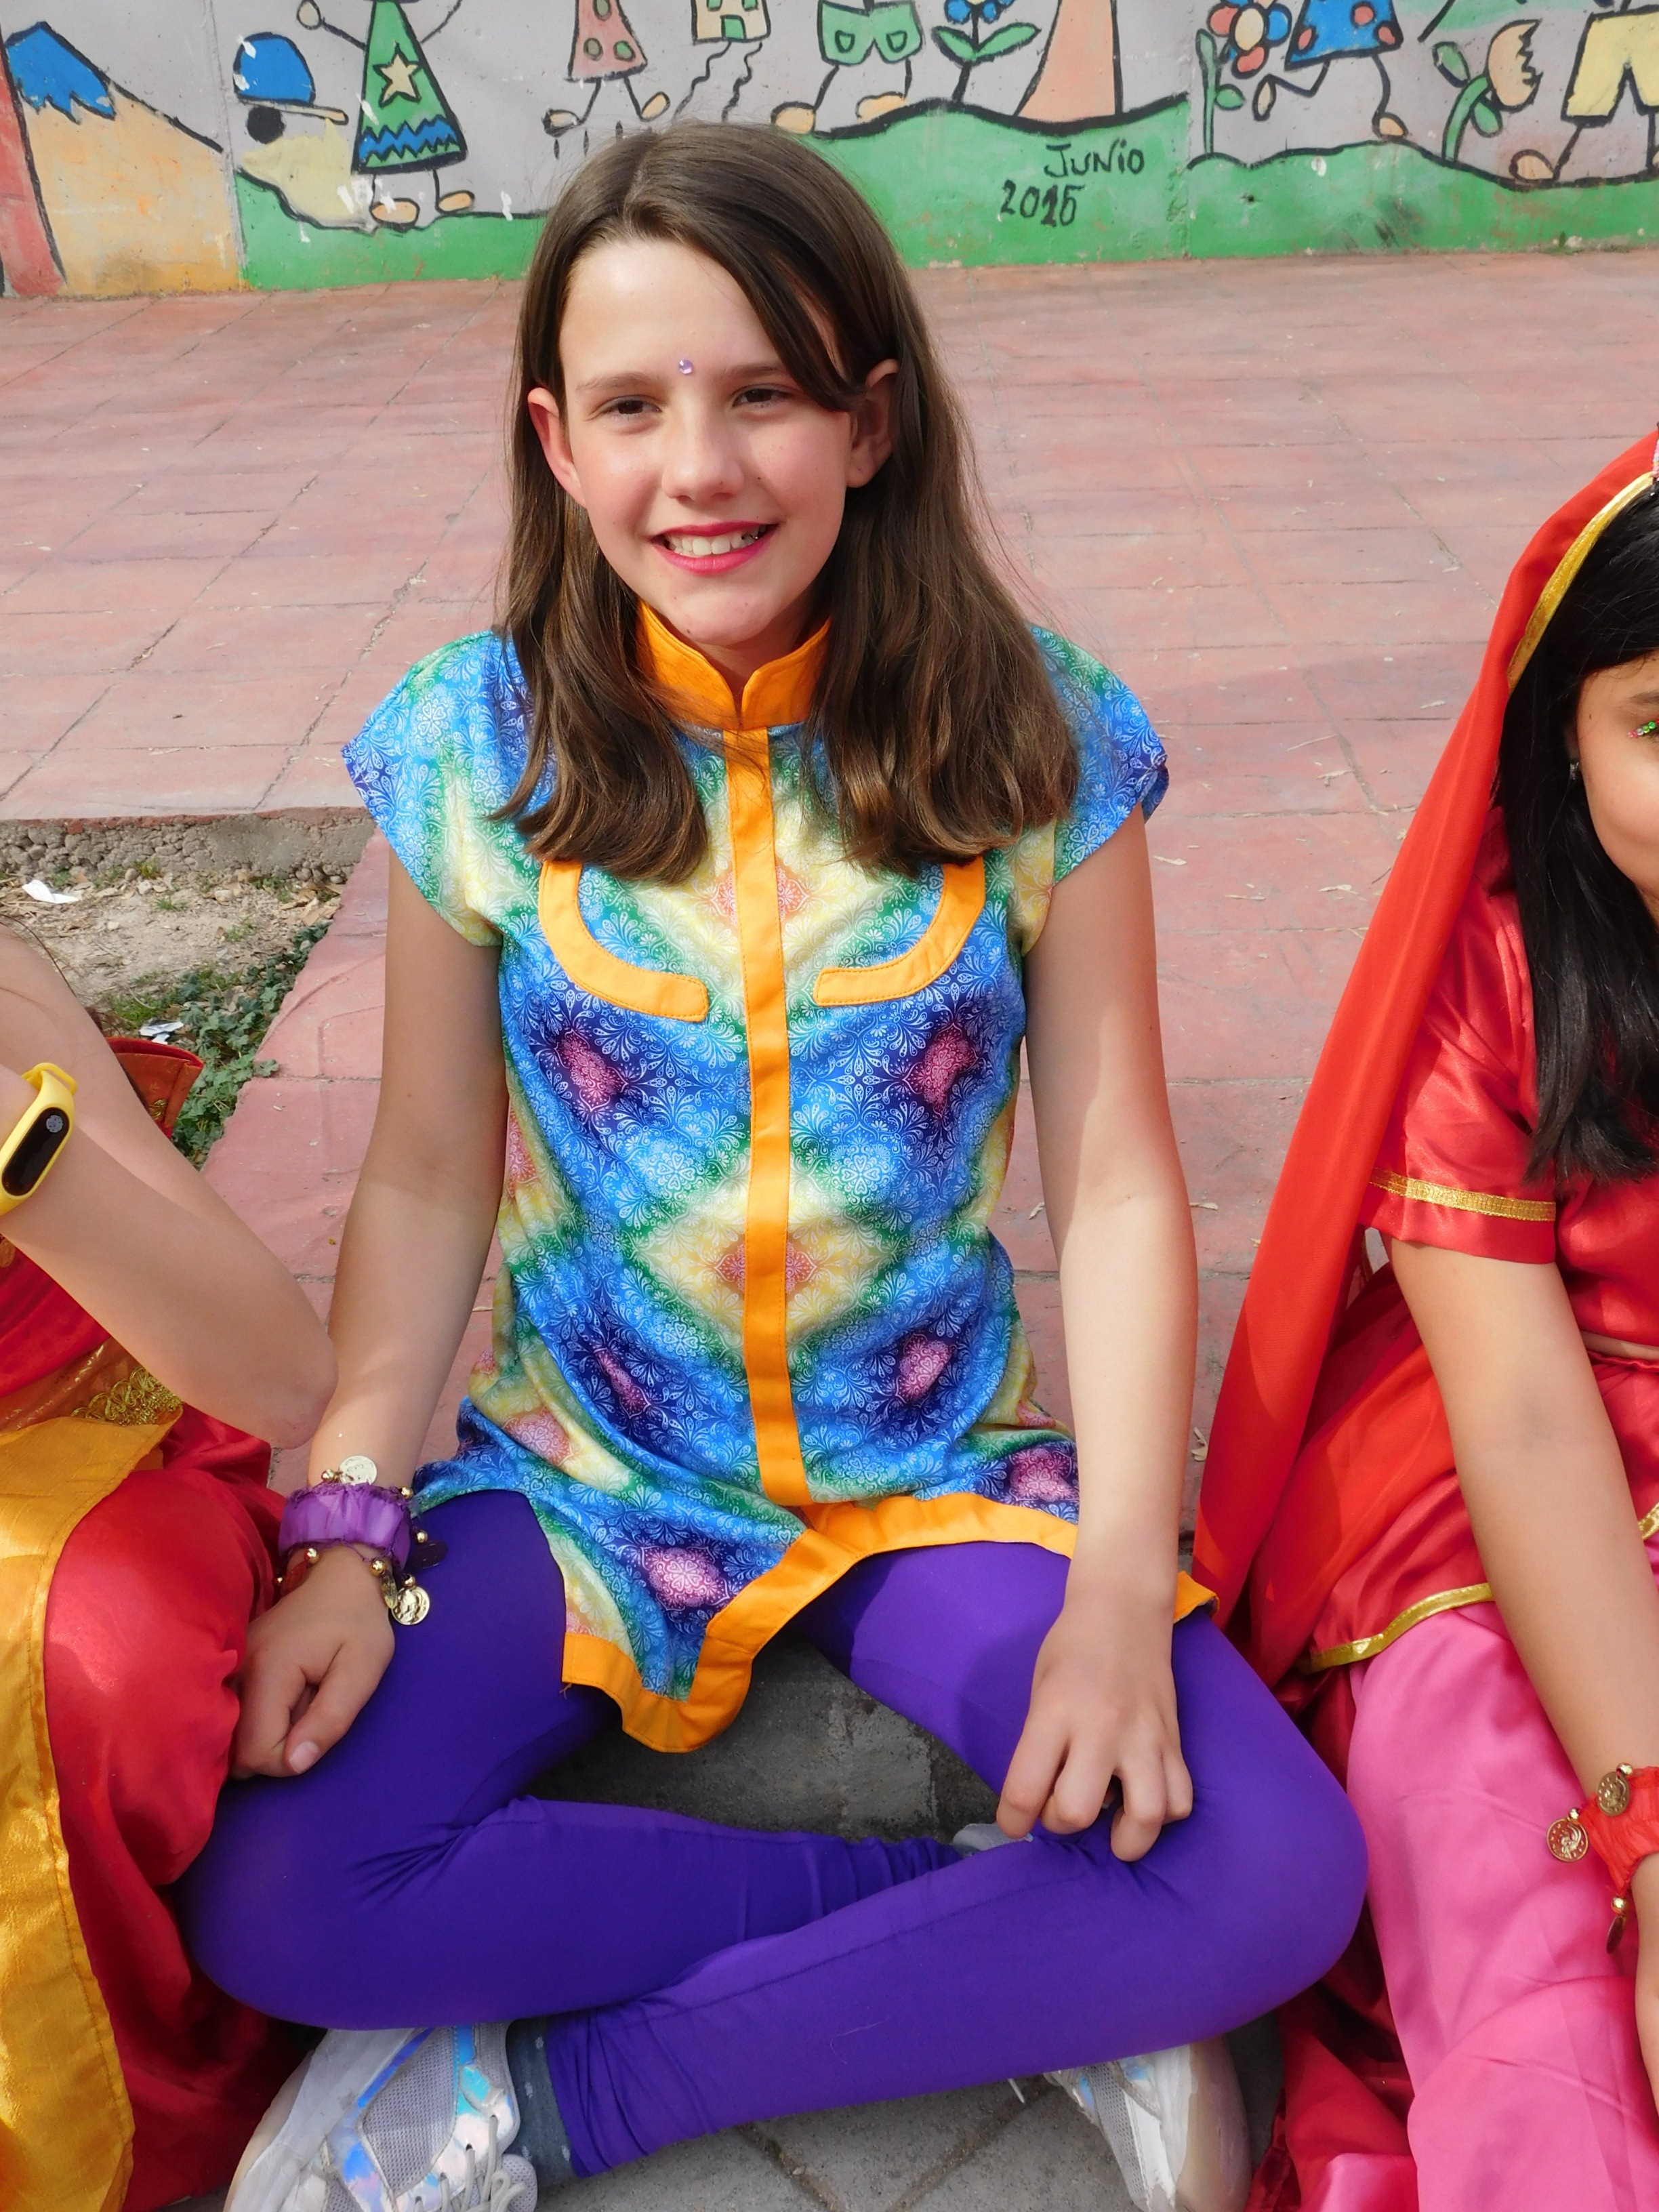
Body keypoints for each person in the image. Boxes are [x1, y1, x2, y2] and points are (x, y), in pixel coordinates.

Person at [180, 123, 1365, 2212]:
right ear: (556, 443)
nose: (701, 468)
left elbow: (1113, 1182)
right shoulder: (473, 752)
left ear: (871, 421)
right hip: (585, 1477)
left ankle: (552, 2101)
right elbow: (426, 1179)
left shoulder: (1039, 742)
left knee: (1275, 1870)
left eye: (765, 395)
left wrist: (1116, 1585)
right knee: (275, 1886)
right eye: (633, 407)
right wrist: (351, 1520)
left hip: (930, 1475)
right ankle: (999, 1946)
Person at [1195, 429, 1659, 2211]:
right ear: (1564, 736)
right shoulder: (1505, 973)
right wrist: (1649, 1841)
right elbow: (1524, 1422)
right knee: (1487, 1828)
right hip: (1487, 1481)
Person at [0, 927, 336, 2212]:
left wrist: (21, 1154)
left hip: (95, 1455)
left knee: (94, 1664)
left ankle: (142, 2126)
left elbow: (283, 1378)